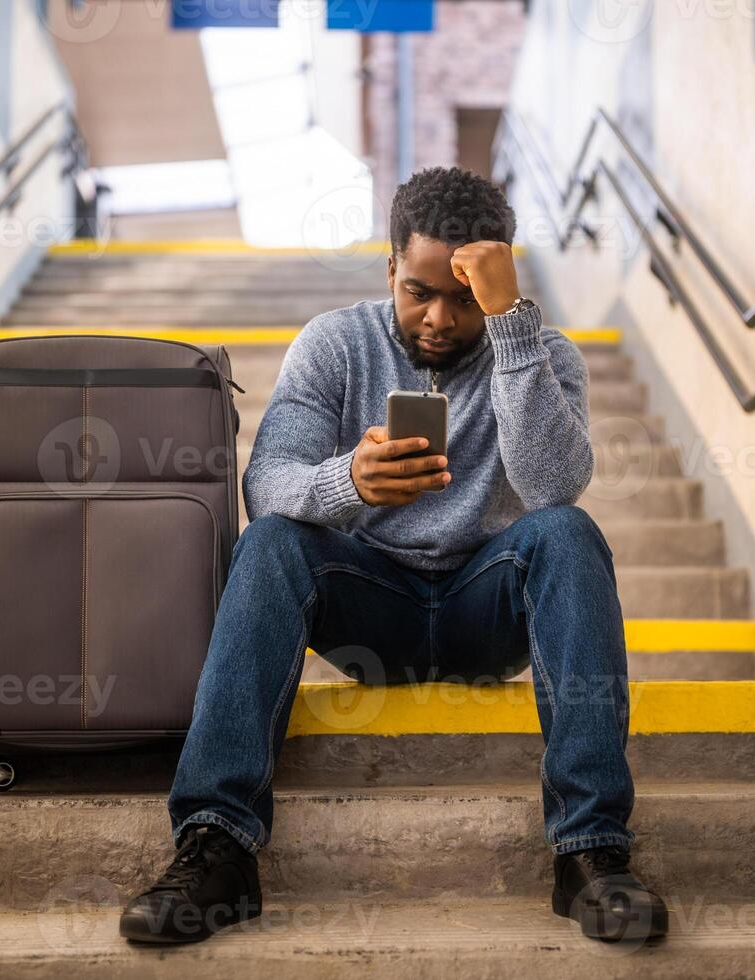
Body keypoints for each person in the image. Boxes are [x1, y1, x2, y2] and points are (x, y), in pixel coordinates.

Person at [119, 166, 666, 945]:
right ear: (389, 270)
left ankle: (591, 851)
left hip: (487, 607)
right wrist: (351, 481)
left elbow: (554, 489)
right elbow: (268, 485)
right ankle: (218, 845)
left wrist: (510, 327)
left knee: (569, 535)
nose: (439, 317)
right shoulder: (335, 344)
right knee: (271, 543)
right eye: (419, 291)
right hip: (370, 606)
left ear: (497, 286)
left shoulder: (541, 353)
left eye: (463, 297)